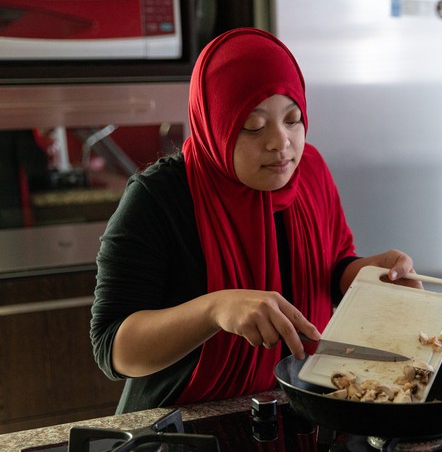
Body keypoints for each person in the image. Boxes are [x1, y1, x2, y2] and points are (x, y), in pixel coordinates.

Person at [90, 28, 418, 414]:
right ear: (216, 123)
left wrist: (366, 275)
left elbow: (330, 269)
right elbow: (112, 348)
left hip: (300, 402)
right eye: (254, 126)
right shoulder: (158, 197)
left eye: (293, 120)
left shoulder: (310, 170)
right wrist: (214, 310)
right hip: (182, 424)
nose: (281, 143)